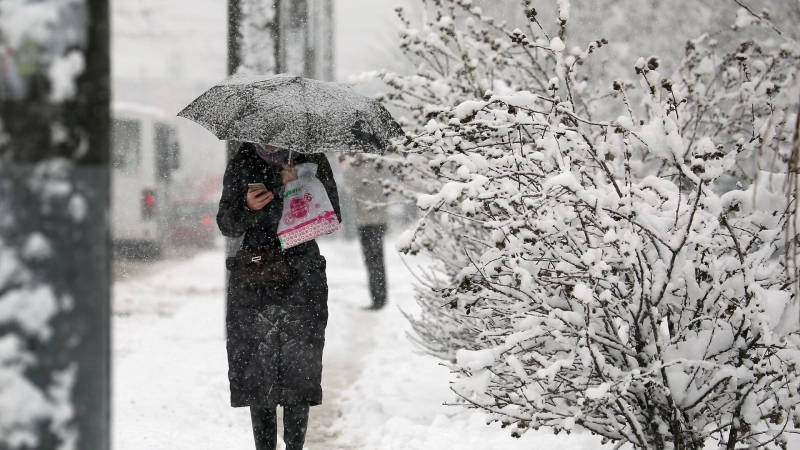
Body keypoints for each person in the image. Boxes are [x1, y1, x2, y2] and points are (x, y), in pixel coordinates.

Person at [217, 142, 341, 450]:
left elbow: (331, 218)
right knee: (257, 369)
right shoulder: (243, 159)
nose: (271, 140)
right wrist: (247, 206)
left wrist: (299, 188)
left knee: (300, 368)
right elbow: (226, 223)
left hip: (303, 275)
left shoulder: (311, 159)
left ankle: (295, 446)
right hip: (256, 275)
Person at [344, 155, 389, 310]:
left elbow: (354, 182)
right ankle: (378, 298)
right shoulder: (371, 166)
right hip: (366, 220)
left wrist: (355, 165)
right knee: (372, 260)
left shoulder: (373, 167)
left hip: (374, 220)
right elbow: (349, 180)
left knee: (374, 260)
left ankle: (379, 299)